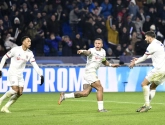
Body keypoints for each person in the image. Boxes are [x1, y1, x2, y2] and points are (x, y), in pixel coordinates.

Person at [58, 38, 120, 112]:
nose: (97, 45)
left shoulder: (103, 52)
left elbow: (103, 61)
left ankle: (64, 96)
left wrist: (111, 65)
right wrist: (82, 51)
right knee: (100, 88)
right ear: (94, 44)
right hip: (90, 72)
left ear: (102, 45)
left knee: (85, 93)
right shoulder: (92, 50)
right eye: (96, 43)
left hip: (89, 73)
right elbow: (88, 52)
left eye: (99, 43)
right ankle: (101, 109)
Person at [0, 36, 44, 113]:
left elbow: (35, 65)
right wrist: (0, 69)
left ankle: (5, 107)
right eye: (28, 41)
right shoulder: (15, 50)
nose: (30, 43)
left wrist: (41, 75)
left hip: (20, 74)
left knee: (20, 93)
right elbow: (4, 58)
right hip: (12, 72)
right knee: (15, 90)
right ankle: (1, 99)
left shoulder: (30, 53)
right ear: (23, 42)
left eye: (30, 41)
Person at [129, 31, 165, 112]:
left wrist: (134, 62)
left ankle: (147, 105)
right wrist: (138, 59)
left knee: (144, 84)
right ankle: (146, 105)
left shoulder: (151, 46)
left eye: (146, 37)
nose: (145, 39)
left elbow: (144, 58)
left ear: (150, 37)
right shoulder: (159, 43)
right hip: (164, 69)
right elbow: (153, 55)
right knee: (153, 87)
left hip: (158, 69)